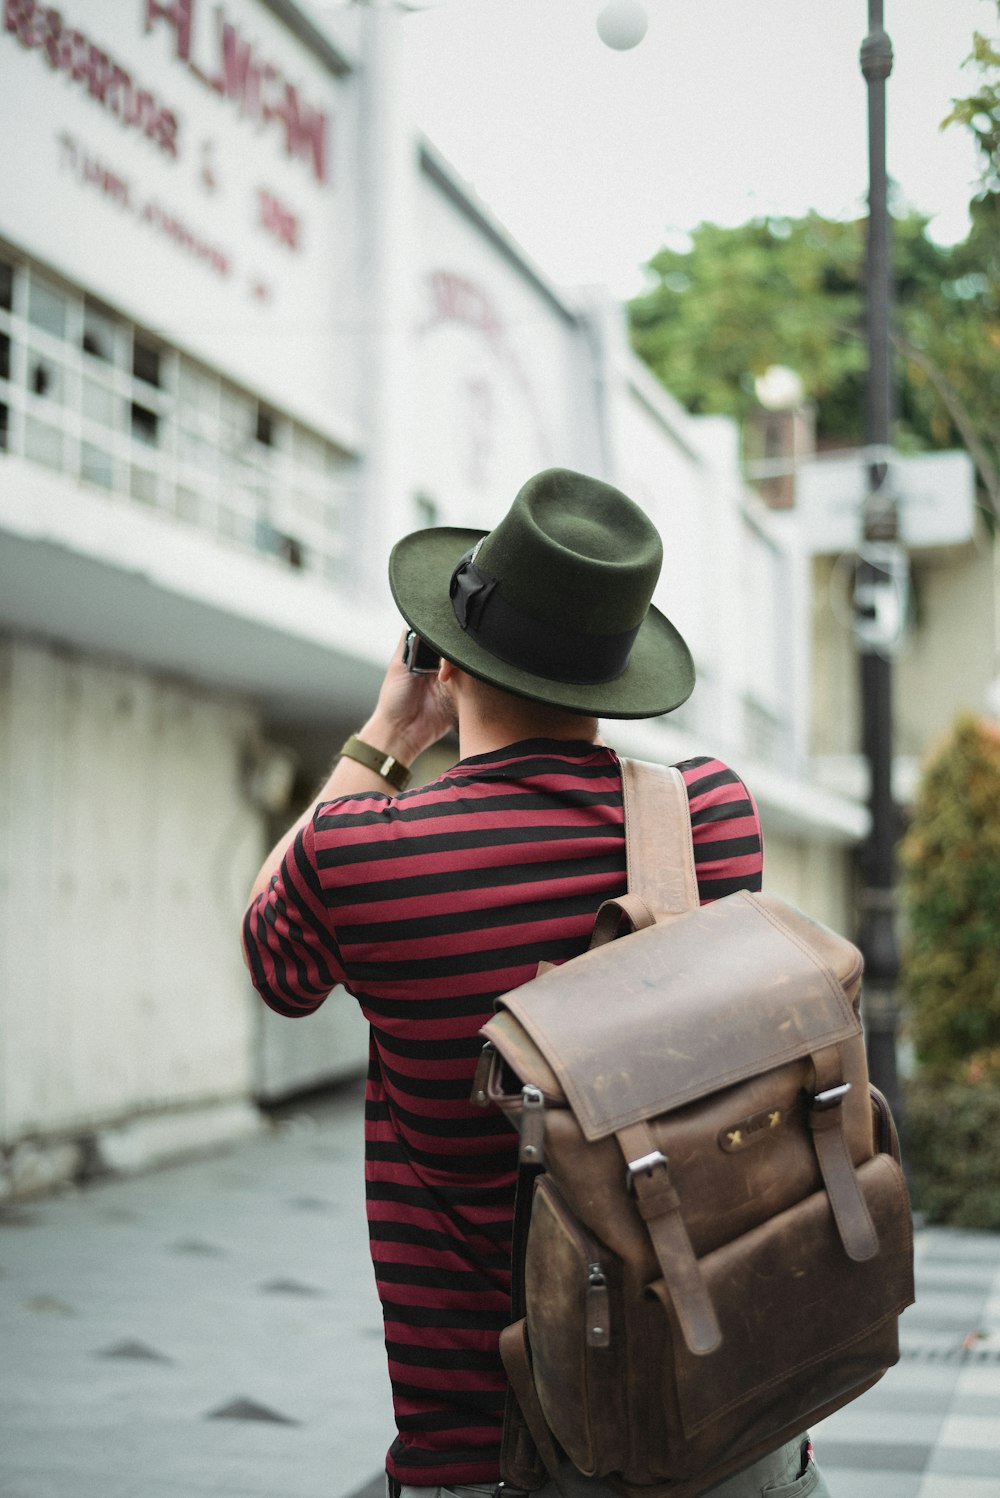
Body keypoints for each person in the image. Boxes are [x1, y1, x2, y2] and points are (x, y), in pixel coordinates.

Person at [242, 468, 829, 1498]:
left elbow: (271, 959)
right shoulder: (708, 817)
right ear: (615, 669)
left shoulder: (362, 855)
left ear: (444, 657)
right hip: (719, 1417)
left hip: (485, 1441)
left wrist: (385, 737)